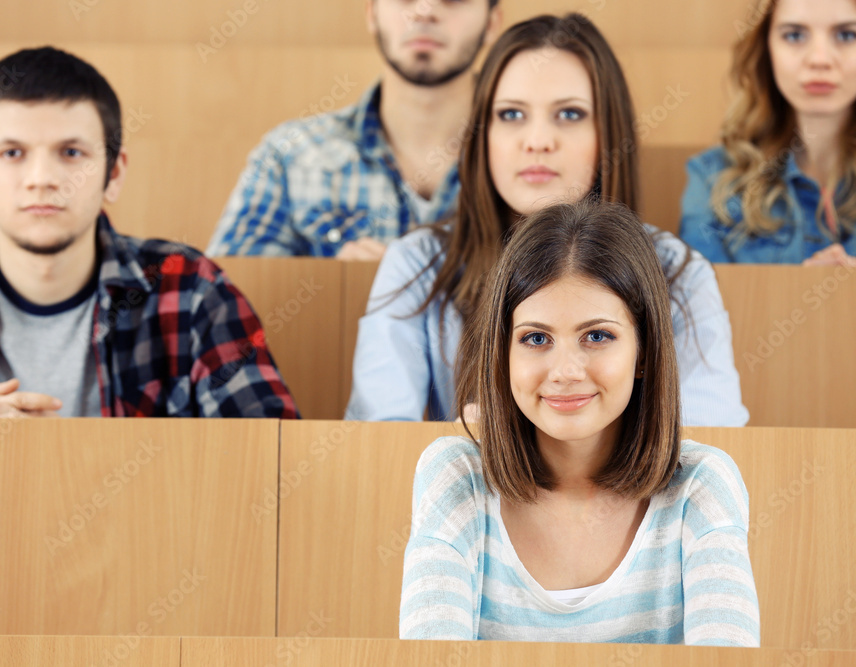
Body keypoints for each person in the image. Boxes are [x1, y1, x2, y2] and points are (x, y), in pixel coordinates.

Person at [346, 15, 749, 426]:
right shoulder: (415, 264)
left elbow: (710, 449)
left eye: (570, 115)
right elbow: (380, 443)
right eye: (511, 115)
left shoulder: (678, 273)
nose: (537, 140)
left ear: (609, 131)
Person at [0, 46, 299, 418]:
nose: (42, 178)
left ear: (115, 171)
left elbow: (269, 462)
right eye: (12, 153)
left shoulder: (190, 289)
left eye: (71, 152)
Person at [399, 199, 760, 645]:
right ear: (503, 353)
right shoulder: (456, 476)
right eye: (535, 338)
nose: (565, 371)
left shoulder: (702, 486)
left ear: (643, 352)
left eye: (597, 336)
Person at [206, 0, 502, 259]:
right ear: (372, 13)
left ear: (491, 22)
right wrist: (339, 284)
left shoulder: (528, 155)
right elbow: (230, 298)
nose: (425, 12)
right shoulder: (290, 153)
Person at [680, 0, 856, 264]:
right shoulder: (711, 176)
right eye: (794, 35)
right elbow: (694, 301)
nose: (819, 59)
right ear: (767, 48)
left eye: (846, 35)